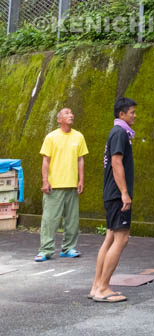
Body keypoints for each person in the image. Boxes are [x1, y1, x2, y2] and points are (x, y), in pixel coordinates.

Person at [89, 96, 137, 303]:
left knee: (110, 238)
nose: (135, 115)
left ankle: (96, 286)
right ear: (122, 114)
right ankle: (103, 288)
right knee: (121, 239)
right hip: (117, 194)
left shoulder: (116, 132)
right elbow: (117, 163)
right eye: (132, 112)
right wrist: (125, 192)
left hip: (111, 193)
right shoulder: (119, 133)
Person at [35, 108, 88, 262]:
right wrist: (45, 181)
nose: (71, 115)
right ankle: (46, 250)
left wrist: (81, 180)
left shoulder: (78, 136)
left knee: (72, 220)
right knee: (50, 220)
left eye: (72, 113)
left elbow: (80, 160)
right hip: (54, 185)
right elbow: (45, 160)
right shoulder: (51, 137)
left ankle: (68, 248)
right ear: (59, 119)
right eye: (66, 113)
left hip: (71, 185)